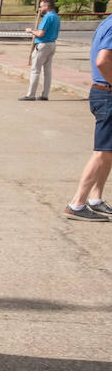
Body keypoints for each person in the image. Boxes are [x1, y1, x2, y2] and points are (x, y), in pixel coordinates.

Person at [63, 13, 112, 220]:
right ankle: (77, 203)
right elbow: (103, 61)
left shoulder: (106, 21)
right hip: (107, 94)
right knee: (102, 152)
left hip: (102, 92)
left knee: (109, 151)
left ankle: (95, 198)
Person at [19, 0, 61, 101]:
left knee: (35, 70)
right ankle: (45, 94)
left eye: (41, 6)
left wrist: (31, 31)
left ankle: (31, 94)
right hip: (52, 44)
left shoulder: (47, 17)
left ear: (46, 6)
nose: (40, 8)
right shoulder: (56, 17)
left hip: (43, 45)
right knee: (47, 71)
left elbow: (41, 33)